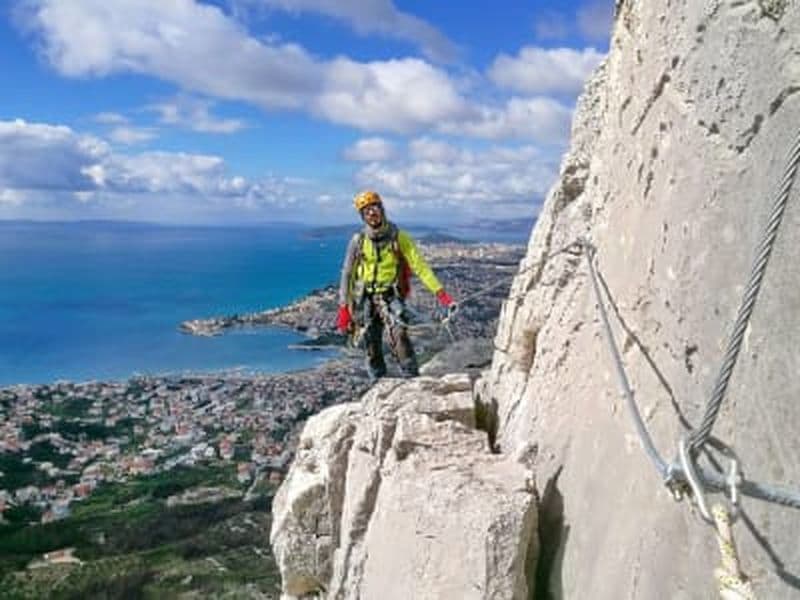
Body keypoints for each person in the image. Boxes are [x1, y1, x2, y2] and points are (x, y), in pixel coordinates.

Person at [336, 190, 455, 381]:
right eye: (366, 211)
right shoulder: (359, 241)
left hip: (390, 296)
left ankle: (411, 377)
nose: (371, 213)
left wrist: (441, 294)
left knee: (400, 336)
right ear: (362, 216)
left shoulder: (399, 237)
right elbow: (347, 273)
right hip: (366, 298)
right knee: (371, 344)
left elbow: (420, 267)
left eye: (374, 208)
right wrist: (344, 307)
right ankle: (377, 381)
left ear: (381, 209)